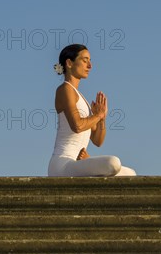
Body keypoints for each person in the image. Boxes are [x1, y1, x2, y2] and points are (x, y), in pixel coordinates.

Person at [47, 44, 137, 177]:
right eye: (85, 60)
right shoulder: (65, 89)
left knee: (130, 174)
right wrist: (98, 115)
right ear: (69, 63)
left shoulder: (80, 96)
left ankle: (87, 163)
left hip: (76, 164)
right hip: (63, 164)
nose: (90, 66)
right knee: (113, 163)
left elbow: (97, 140)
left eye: (90, 61)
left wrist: (102, 118)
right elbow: (77, 125)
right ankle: (88, 163)